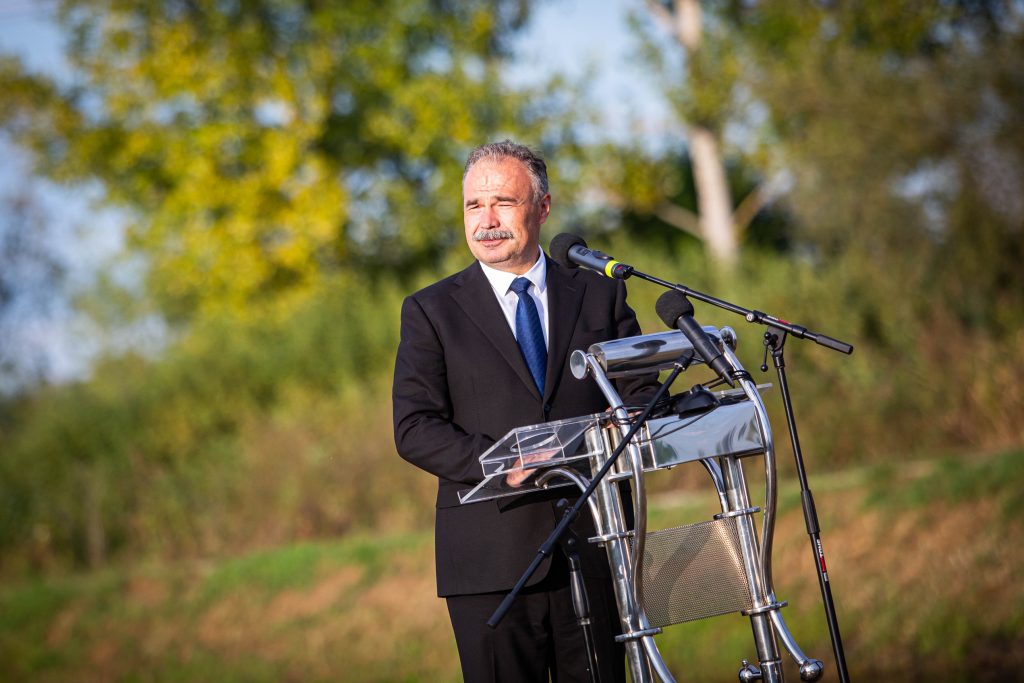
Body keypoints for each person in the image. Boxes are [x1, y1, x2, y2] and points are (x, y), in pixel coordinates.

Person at [392, 140, 656, 682]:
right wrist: (498, 462)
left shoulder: (598, 295)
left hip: (598, 546)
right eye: (473, 206)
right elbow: (414, 427)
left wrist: (627, 421)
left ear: (542, 207)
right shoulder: (431, 310)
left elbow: (642, 391)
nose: (485, 221)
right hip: (491, 562)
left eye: (503, 203)